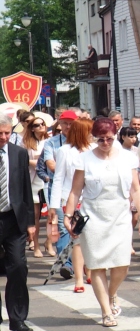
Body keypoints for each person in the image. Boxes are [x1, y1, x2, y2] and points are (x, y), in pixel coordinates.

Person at [63, 118, 140, 327]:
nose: (105, 143)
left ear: (115, 136)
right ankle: (106, 311)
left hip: (120, 216)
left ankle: (111, 294)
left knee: (122, 264)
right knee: (98, 265)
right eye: (100, 139)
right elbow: (76, 190)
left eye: (109, 139)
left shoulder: (128, 158)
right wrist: (68, 215)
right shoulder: (85, 159)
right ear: (94, 138)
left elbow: (136, 189)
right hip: (94, 216)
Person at [47, 117, 93, 292]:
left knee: (90, 238)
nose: (92, 135)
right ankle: (79, 278)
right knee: (77, 239)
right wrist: (54, 205)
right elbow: (58, 178)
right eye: (89, 132)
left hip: (90, 199)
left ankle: (90, 270)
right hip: (70, 199)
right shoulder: (64, 150)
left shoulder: (94, 149)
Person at [0, 118, 35, 331]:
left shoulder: (18, 153)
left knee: (18, 267)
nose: (3, 138)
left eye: (6, 133)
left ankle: (18, 318)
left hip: (14, 219)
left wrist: (30, 222)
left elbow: (26, 189)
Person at [38, 109, 77, 262]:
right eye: (65, 123)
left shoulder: (82, 143)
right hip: (58, 188)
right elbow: (50, 163)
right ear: (59, 123)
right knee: (62, 226)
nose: (68, 126)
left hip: (78, 190)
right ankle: (66, 262)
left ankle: (79, 261)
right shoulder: (51, 143)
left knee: (78, 227)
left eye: (71, 124)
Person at [21, 115, 49, 258]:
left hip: (48, 181)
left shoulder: (50, 141)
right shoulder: (25, 143)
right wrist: (39, 162)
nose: (40, 127)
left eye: (42, 124)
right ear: (32, 128)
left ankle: (49, 242)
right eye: (37, 125)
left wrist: (38, 161)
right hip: (33, 181)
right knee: (36, 216)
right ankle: (36, 245)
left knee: (53, 215)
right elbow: (24, 161)